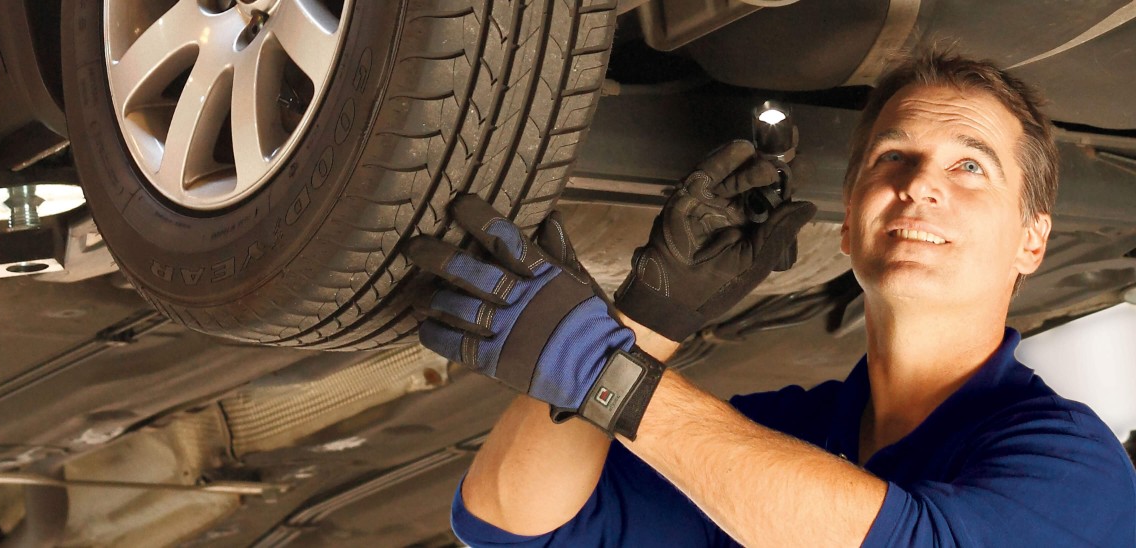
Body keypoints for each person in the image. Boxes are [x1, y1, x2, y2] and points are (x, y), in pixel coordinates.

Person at [405, 48, 1136, 546]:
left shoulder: (1074, 468)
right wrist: (643, 322)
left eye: (971, 165)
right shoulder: (783, 435)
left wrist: (607, 373)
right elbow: (510, 519)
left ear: (1031, 242)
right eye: (894, 157)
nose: (920, 184)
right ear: (848, 224)